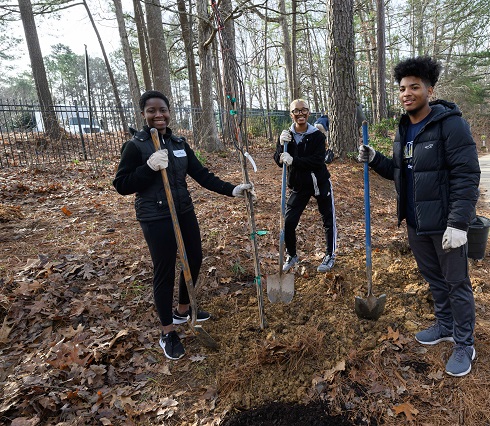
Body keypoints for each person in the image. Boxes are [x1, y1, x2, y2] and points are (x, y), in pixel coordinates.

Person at [358, 55, 481, 377]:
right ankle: (444, 325)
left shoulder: (451, 124)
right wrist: (375, 159)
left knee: (457, 283)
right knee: (435, 280)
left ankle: (465, 343)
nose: (406, 93)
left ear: (430, 89)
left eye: (414, 87)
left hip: (445, 223)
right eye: (402, 88)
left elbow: (467, 175)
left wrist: (459, 222)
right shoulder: (404, 127)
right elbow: (403, 172)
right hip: (416, 222)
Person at [113, 90, 254, 360]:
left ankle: (182, 310)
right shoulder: (137, 146)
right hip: (155, 217)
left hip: (183, 211)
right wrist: (148, 168)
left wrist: (232, 189)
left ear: (169, 111)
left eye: (162, 110)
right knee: (164, 271)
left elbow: (201, 174)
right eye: (152, 111)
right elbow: (121, 185)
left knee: (194, 259)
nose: (158, 115)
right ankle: (168, 331)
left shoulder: (178, 142)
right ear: (143, 114)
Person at [274, 99, 337, 273]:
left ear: (308, 113)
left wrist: (294, 160)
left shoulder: (317, 135)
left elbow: (318, 161)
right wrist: (281, 146)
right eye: (296, 111)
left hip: (319, 183)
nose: (300, 114)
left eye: (304, 111)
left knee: (327, 220)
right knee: (289, 222)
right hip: (299, 185)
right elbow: (278, 161)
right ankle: (292, 254)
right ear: (291, 114)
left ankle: (329, 255)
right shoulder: (287, 135)